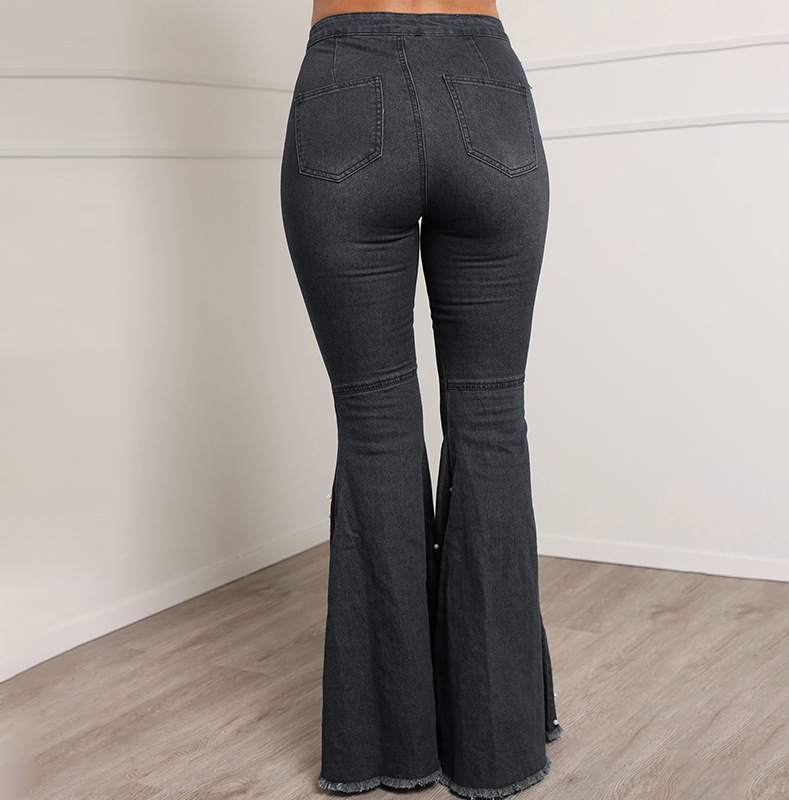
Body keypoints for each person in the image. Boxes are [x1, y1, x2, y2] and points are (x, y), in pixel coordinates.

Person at [280, 2, 562, 797]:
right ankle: (499, 745)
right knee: (492, 419)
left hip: (343, 87)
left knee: (375, 426)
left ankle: (391, 747)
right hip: (485, 88)